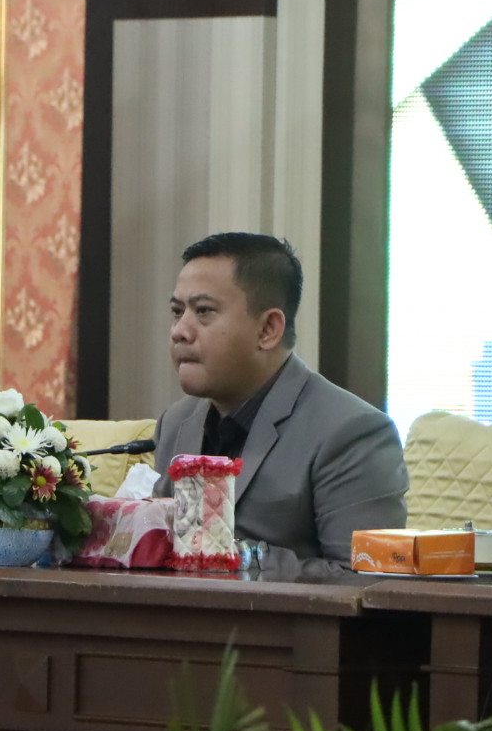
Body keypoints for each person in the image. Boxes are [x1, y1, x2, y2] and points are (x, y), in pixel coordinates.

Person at [152, 232, 408, 578]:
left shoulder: (352, 432)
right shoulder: (176, 422)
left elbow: (366, 580)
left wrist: (236, 557)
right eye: (177, 312)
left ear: (268, 330)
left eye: (203, 311)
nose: (180, 331)